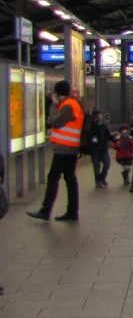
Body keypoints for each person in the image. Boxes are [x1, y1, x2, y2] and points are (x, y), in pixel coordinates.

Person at [27, 80, 84, 222]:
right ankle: (72, 212)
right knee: (69, 178)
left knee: (54, 177)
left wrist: (52, 105)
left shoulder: (68, 106)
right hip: (69, 148)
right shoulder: (70, 104)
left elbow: (55, 122)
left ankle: (46, 210)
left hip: (65, 149)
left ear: (58, 93)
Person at [88, 111, 115, 187]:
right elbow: (91, 137)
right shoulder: (92, 126)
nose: (101, 116)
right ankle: (98, 181)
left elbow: (108, 135)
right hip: (95, 150)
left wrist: (115, 141)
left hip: (104, 149)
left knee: (107, 164)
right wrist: (95, 143)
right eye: (99, 115)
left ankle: (102, 178)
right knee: (97, 166)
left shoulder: (103, 125)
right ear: (96, 116)